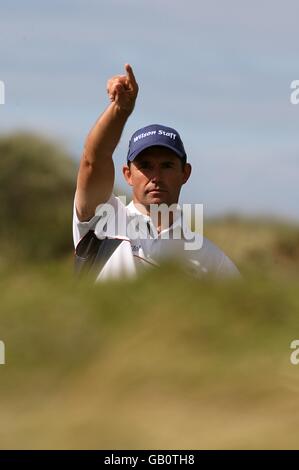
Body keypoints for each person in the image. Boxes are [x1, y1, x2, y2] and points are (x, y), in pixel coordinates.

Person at [73, 64, 239, 281]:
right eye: (145, 166)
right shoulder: (102, 221)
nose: (156, 177)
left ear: (185, 173)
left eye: (167, 166)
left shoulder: (212, 260)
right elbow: (93, 160)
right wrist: (119, 111)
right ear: (127, 174)